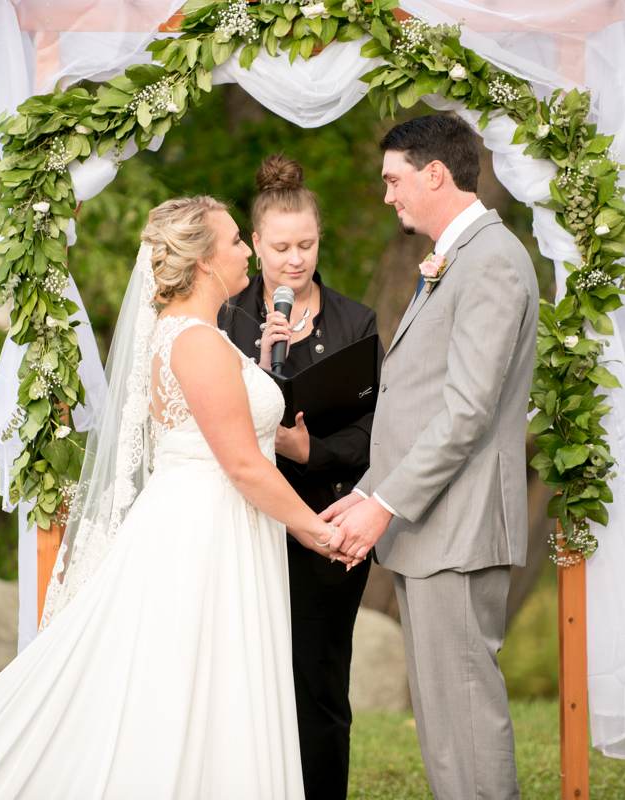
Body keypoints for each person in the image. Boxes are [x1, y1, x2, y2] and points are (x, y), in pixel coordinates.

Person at [0, 196, 348, 799]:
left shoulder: (191, 335)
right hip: (207, 532)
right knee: (203, 675)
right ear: (204, 260)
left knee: (205, 681)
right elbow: (241, 463)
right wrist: (316, 530)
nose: (248, 250)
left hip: (210, 521)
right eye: (238, 240)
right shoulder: (197, 343)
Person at [322, 114, 539, 799]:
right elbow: (420, 400)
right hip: (432, 524)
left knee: (465, 718)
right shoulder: (459, 258)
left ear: (435, 173)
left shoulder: (494, 261)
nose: (388, 195)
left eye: (394, 180)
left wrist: (384, 503)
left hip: (458, 526)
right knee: (444, 724)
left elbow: (468, 410)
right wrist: (368, 492)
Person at [220, 154, 380, 800]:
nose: (295, 259)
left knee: (318, 680)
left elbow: (377, 432)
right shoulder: (228, 317)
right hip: (245, 519)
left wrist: (311, 450)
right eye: (281, 246)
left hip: (327, 522)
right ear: (256, 244)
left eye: (306, 245)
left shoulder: (355, 320)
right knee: (245, 676)